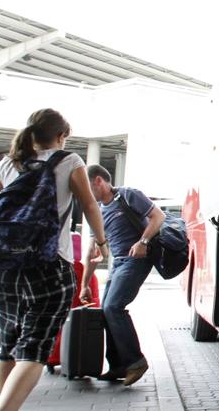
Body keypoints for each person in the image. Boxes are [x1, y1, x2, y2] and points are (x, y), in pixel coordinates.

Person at [0, 109, 107, 411]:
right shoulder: (70, 161)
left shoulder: (7, 163)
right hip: (50, 265)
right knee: (33, 352)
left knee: (8, 348)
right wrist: (101, 243)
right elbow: (89, 204)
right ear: (61, 136)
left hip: (1, 268)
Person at [79, 165, 164, 387]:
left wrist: (142, 242)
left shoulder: (127, 195)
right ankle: (117, 366)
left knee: (114, 307)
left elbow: (158, 216)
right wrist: (85, 284)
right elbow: (91, 252)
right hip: (118, 263)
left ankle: (136, 361)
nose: (85, 193)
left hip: (136, 259)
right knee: (106, 310)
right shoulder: (96, 209)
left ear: (98, 181)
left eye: (87, 187)